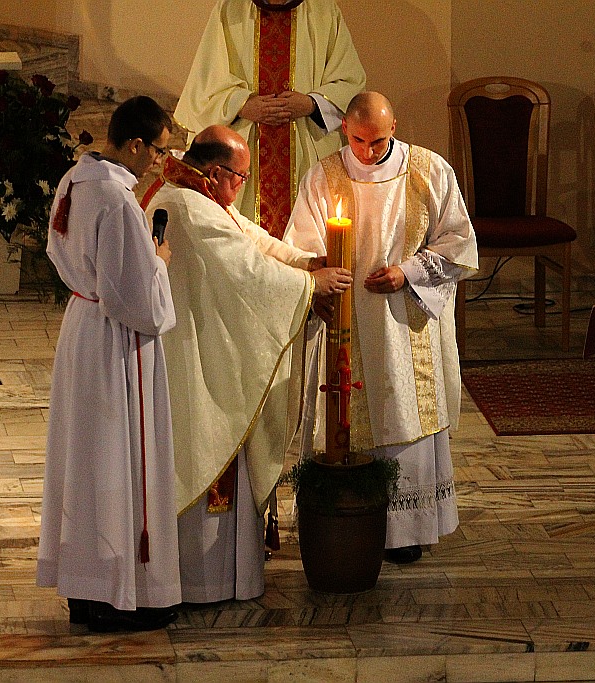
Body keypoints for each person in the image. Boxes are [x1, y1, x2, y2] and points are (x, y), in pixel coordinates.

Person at [141, 125, 352, 602]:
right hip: (199, 361)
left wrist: (307, 262)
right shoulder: (189, 208)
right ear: (216, 173)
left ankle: (225, 576)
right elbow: (249, 271)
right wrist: (310, 286)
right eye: (240, 177)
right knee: (209, 448)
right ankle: (205, 584)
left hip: (209, 344)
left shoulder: (196, 195)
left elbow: (253, 240)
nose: (242, 186)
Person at [284, 92, 478, 564]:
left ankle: (406, 530)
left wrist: (407, 273)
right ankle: (344, 522)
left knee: (404, 411)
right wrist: (317, 284)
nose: (368, 152)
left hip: (404, 323)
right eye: (358, 141)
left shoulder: (430, 171)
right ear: (344, 130)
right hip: (344, 322)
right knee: (349, 415)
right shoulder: (323, 175)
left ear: (394, 127)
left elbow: (459, 241)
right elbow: (301, 247)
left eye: (378, 141)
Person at [36, 96, 181, 631]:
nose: (161, 163)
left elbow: (59, 253)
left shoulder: (74, 180)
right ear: (135, 144)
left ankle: (86, 587)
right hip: (113, 342)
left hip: (82, 326)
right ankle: (117, 594)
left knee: (86, 462)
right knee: (114, 461)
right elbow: (138, 302)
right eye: (158, 151)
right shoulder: (117, 202)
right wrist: (159, 263)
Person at [175, 0, 366, 238]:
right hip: (245, 153)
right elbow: (205, 85)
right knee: (244, 244)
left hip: (304, 151)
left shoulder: (323, 10)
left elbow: (350, 82)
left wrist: (311, 104)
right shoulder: (230, 9)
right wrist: (242, 104)